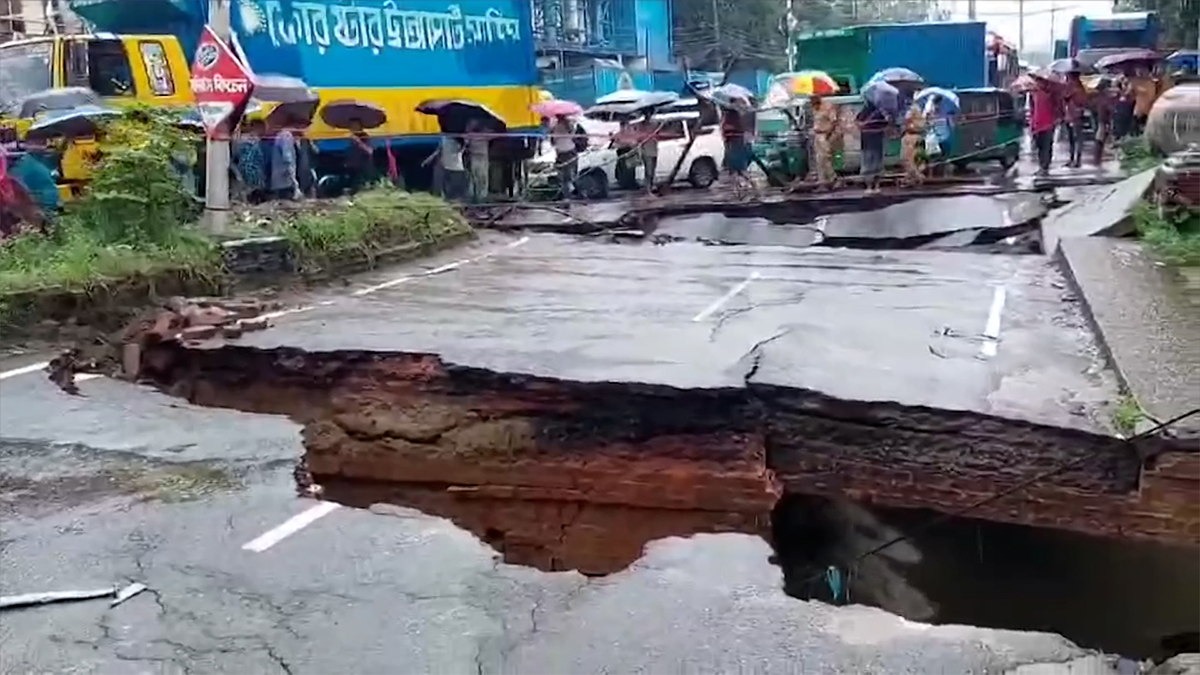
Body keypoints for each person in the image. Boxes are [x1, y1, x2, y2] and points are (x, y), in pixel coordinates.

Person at [1029, 77, 1060, 177]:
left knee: (1046, 146)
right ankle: (1041, 166)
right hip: (1037, 124)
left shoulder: (1051, 94)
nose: (1038, 84)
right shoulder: (1033, 94)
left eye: (1040, 82)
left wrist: (1057, 118)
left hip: (1048, 124)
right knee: (1039, 146)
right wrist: (1031, 124)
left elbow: (1057, 106)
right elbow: (1032, 109)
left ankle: (1044, 167)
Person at [857, 100, 888, 192]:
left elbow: (858, 124)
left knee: (869, 164)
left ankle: (870, 187)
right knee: (876, 164)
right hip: (876, 141)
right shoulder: (880, 112)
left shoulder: (864, 113)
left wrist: (864, 126)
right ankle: (876, 186)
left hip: (868, 141)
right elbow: (886, 124)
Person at [233, 120, 267, 203]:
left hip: (246, 171)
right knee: (254, 194)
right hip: (252, 173)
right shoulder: (251, 141)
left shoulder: (242, 140)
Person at [809, 96, 838, 189]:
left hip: (824, 134)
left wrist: (828, 133)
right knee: (819, 160)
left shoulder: (827, 107)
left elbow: (834, 121)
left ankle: (833, 179)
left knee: (825, 158)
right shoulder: (814, 108)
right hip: (817, 135)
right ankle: (822, 182)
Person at [269, 122, 301, 200]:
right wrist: (294, 180)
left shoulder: (283, 135)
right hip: (285, 177)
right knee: (286, 202)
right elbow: (287, 157)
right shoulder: (286, 136)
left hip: (281, 178)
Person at [1062, 72, 1087, 168]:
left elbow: (1065, 96)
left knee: (1075, 139)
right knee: (1074, 139)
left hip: (1073, 116)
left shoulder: (1073, 87)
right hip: (1073, 115)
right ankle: (1074, 159)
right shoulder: (1080, 87)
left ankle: (1075, 160)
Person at [550, 115, 578, 199]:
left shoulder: (555, 128)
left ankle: (567, 198)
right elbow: (573, 137)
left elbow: (553, 142)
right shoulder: (570, 126)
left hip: (562, 153)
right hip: (571, 151)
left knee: (564, 178)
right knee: (572, 176)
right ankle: (578, 193)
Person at [900, 100, 926, 185]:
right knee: (915, 159)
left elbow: (907, 122)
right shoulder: (922, 110)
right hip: (918, 137)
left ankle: (917, 176)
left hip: (911, 137)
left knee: (907, 158)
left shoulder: (912, 111)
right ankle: (911, 177)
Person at [465, 119, 491, 203]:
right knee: (475, 177)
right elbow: (466, 143)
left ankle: (481, 198)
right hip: (475, 157)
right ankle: (475, 197)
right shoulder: (470, 135)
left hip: (481, 157)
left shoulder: (485, 133)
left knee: (482, 178)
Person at [1129, 64, 1158, 136]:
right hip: (1138, 111)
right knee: (1136, 134)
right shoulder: (1135, 82)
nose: (1140, 72)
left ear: (1149, 71)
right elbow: (1129, 96)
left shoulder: (1155, 82)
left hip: (1151, 111)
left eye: (1143, 70)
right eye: (1138, 70)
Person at [345, 125, 375, 194]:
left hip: (363, 168)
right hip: (352, 167)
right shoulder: (350, 138)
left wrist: (359, 142)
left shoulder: (365, 137)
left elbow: (370, 151)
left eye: (355, 126)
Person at [636, 114, 660, 195]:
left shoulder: (654, 125)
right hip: (646, 152)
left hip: (654, 150)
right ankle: (648, 189)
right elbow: (639, 140)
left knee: (652, 171)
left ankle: (650, 187)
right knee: (648, 171)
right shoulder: (641, 126)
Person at [439, 133, 467, 201]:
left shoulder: (445, 140)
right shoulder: (454, 142)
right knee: (455, 189)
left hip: (449, 167)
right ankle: (453, 200)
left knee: (451, 188)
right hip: (455, 168)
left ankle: (451, 200)